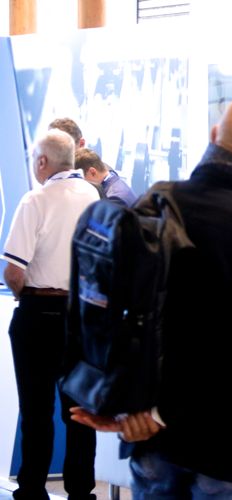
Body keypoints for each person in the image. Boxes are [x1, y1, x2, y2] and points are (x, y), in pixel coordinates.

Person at [70, 96, 232, 499]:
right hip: (227, 448)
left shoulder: (157, 202)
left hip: (150, 437)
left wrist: (139, 411)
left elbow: (126, 317)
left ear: (214, 136)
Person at [2, 129, 100, 500]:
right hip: (81, 316)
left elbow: (13, 271)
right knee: (79, 411)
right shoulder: (92, 196)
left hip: (38, 313)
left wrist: (26, 296)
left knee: (36, 410)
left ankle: (31, 490)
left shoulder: (35, 199)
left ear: (42, 161)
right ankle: (81, 492)